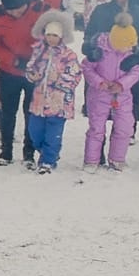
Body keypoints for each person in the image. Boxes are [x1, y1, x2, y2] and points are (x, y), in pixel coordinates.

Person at [0, 0, 39, 167]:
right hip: (9, 70)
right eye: (12, 11)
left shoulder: (39, 10)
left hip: (33, 71)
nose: (16, 14)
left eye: (20, 9)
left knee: (31, 112)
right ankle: (6, 151)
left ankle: (29, 152)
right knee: (7, 112)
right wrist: (12, 59)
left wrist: (35, 60)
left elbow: (51, 37)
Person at [21, 11, 84, 175]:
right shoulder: (39, 51)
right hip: (39, 100)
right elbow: (30, 68)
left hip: (59, 102)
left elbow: (76, 76)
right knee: (34, 131)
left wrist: (59, 80)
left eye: (55, 35)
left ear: (62, 36)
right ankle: (47, 152)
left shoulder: (69, 55)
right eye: (48, 34)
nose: (51, 38)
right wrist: (31, 75)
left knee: (53, 133)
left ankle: (48, 160)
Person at [81, 29, 139, 170]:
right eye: (127, 45)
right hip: (99, 95)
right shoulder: (99, 52)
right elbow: (87, 68)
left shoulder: (131, 55)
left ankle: (117, 159)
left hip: (122, 96)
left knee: (124, 127)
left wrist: (122, 84)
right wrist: (99, 82)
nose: (130, 48)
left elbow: (135, 72)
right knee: (97, 128)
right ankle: (91, 160)